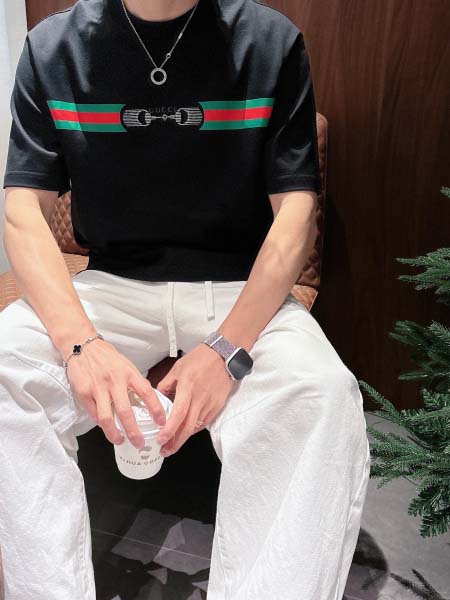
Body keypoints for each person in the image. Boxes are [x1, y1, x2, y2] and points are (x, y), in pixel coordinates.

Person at [0, 0, 371, 598]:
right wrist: (80, 345)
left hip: (241, 286)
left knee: (319, 395)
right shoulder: (53, 47)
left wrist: (227, 349)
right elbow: (23, 210)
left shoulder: (270, 41)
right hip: (112, 282)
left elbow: (297, 213)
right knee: (4, 368)